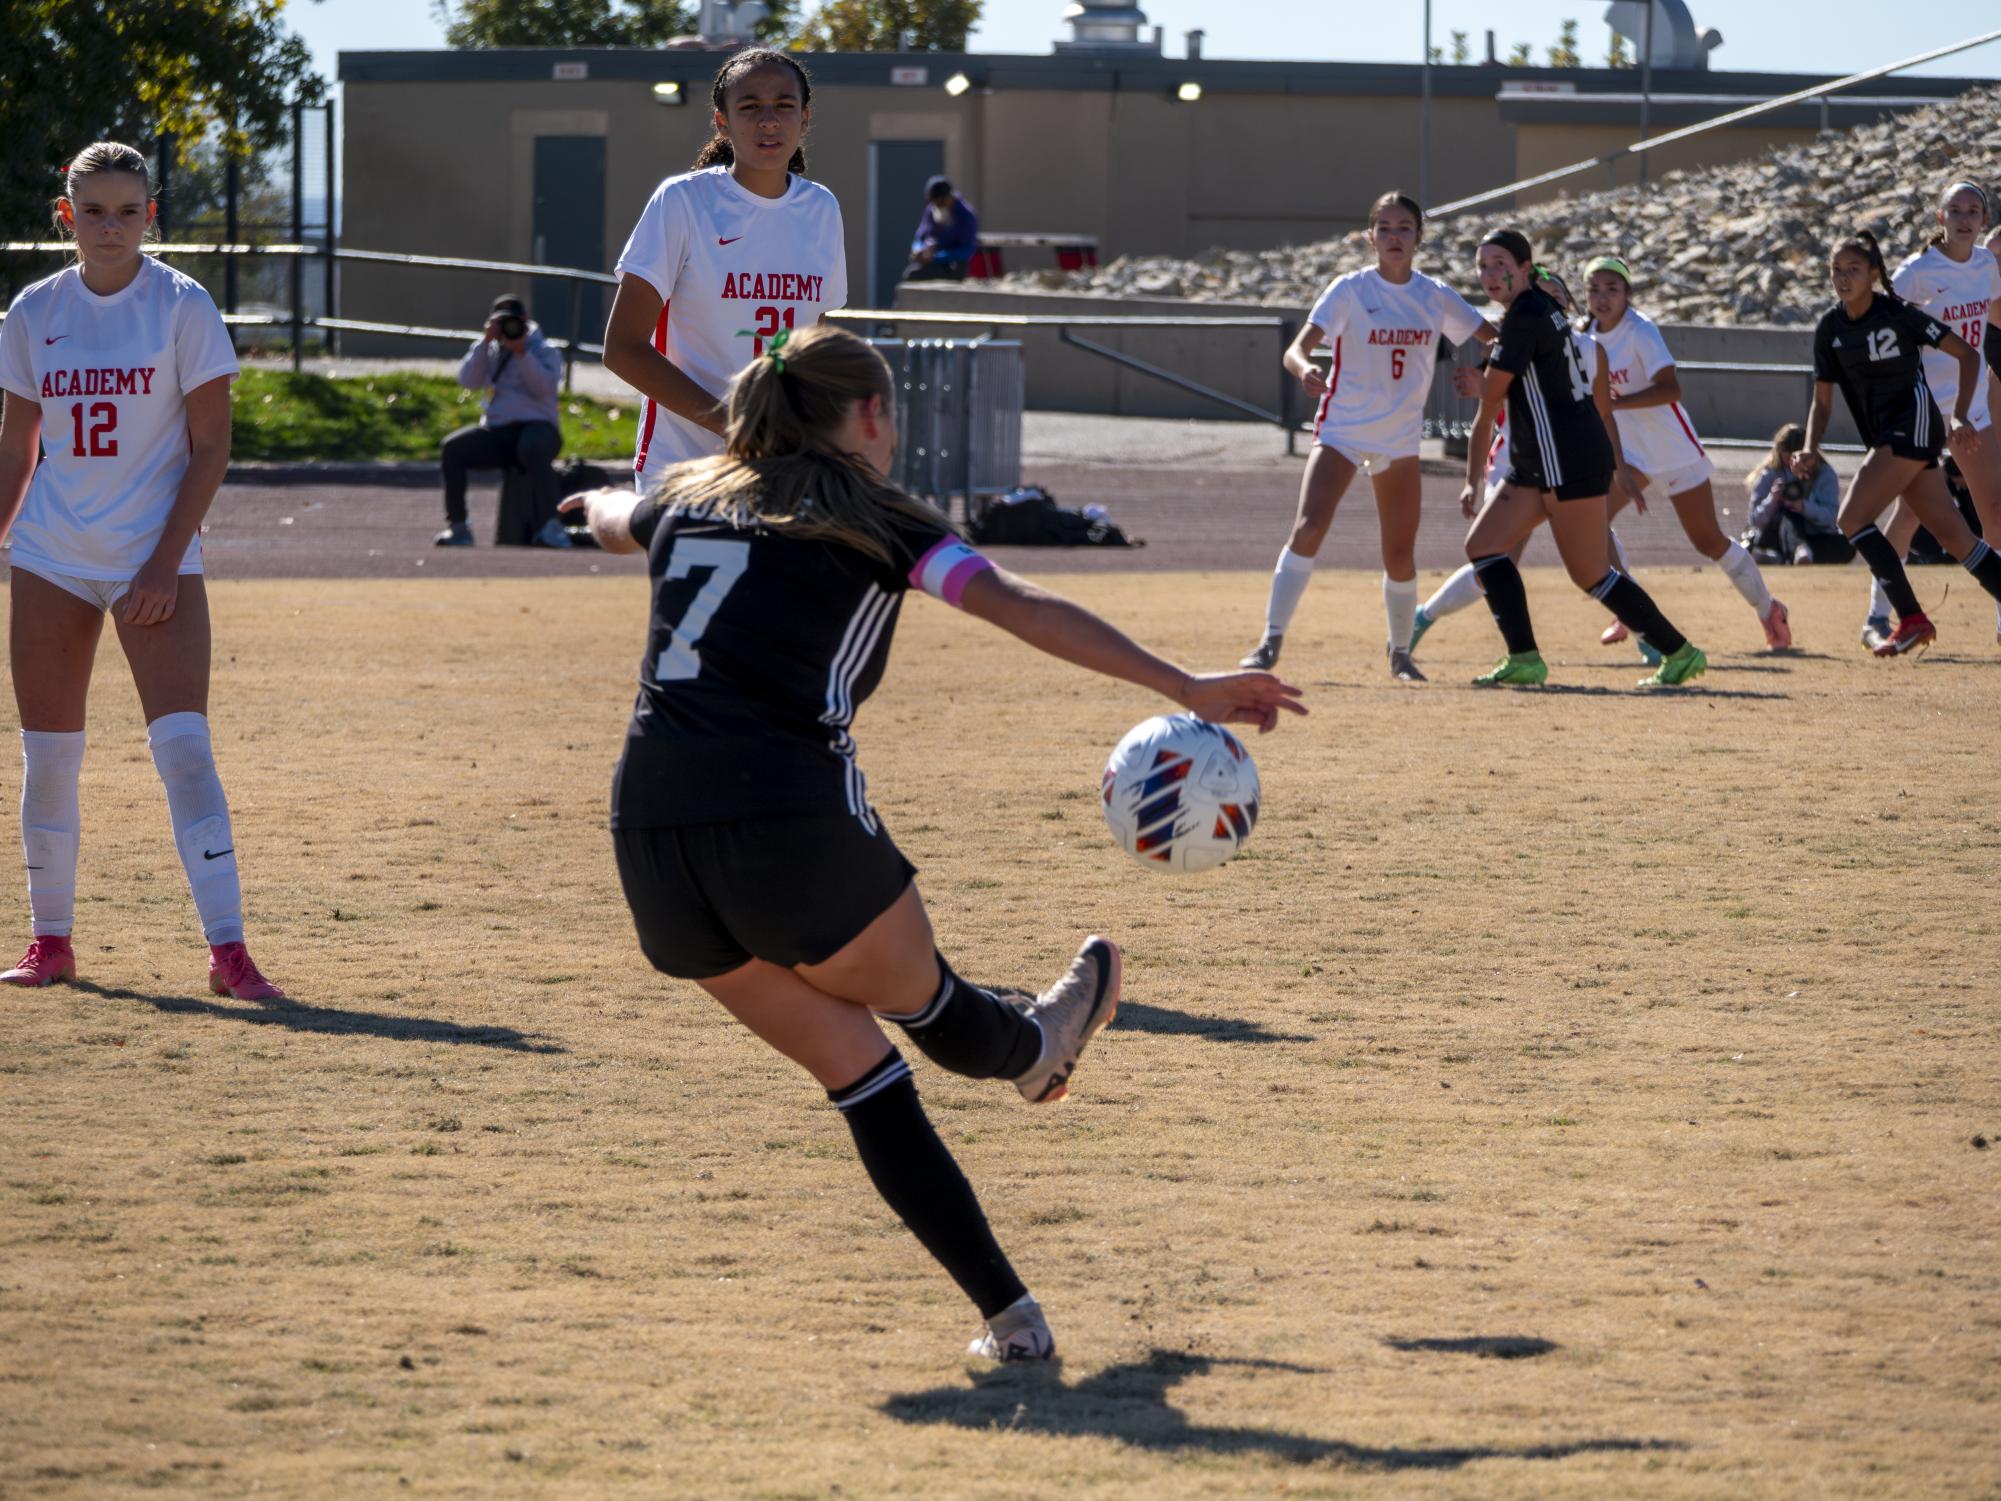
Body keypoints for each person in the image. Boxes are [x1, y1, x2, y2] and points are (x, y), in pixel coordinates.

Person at [563, 323, 1303, 1361]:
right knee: (931, 1006)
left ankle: (1016, 1320)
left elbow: (618, 515)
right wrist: (1184, 686)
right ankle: (1040, 1049)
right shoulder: (877, 518)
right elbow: (1016, 602)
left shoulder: (688, 496)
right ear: (869, 416)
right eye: (892, 412)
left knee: (860, 1069)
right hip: (786, 818)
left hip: (649, 844)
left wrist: (588, 504)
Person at [0, 142, 282, 998]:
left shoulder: (181, 305)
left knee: (185, 751)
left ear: (150, 216)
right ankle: (50, 939)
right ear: (66, 217)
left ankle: (229, 951)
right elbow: (18, 442)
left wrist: (163, 561)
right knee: (48, 756)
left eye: (128, 210)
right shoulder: (31, 311)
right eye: (93, 211)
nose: (110, 226)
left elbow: (212, 447)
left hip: (153, 558)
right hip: (52, 555)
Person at [1240, 191, 1495, 682]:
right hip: (1343, 429)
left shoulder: (1434, 294)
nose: (1394, 237)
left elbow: (1493, 338)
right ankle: (1270, 641)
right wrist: (1304, 369)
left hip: (1399, 439)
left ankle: (1400, 653)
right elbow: (1296, 350)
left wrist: (1484, 373)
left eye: (1404, 228)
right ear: (1370, 236)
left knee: (1399, 552)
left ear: (1420, 237)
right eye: (1385, 228)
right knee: (1309, 528)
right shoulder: (1350, 290)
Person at [1457, 230, 1707, 687]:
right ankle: (1525, 658)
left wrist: (1480, 388)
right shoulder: (1541, 307)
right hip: (1546, 455)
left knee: (1590, 574)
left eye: (1499, 264)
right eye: (1482, 266)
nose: (1489, 274)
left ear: (1526, 267)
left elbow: (1492, 398)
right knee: (1484, 547)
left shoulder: (1526, 314)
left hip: (1563, 456)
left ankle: (1679, 651)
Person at [602, 48, 847, 492]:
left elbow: (813, 344)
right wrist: (737, 427)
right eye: (750, 107)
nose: (768, 121)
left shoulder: (822, 208)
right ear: (722, 120)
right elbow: (622, 350)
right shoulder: (682, 202)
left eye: (784, 106)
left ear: (805, 118)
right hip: (683, 471)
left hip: (779, 468)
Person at [1798, 228, 2001, 656]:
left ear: (1874, 273)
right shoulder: (1829, 327)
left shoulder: (1899, 314)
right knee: (1957, 538)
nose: (1842, 277)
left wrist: (1962, 412)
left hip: (1915, 424)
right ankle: (1911, 617)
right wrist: (1810, 448)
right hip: (1889, 435)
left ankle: (1910, 618)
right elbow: (1821, 402)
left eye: (1853, 269)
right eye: (1836, 269)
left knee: (1851, 518)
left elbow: (1967, 354)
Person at [1584, 255, 1792, 650]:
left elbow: (1670, 389)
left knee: (1708, 540)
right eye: (1594, 289)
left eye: (1612, 288)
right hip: (1629, 452)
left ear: (1628, 293)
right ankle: (1628, 608)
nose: (1602, 297)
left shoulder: (1640, 331)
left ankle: (1768, 609)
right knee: (1593, 520)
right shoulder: (1585, 335)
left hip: (1671, 448)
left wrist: (1616, 404)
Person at [1853, 184, 2001, 649]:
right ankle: (1877, 616)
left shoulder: (1987, 265)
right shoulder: (1919, 271)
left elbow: (1992, 316)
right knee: (1910, 515)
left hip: (1970, 407)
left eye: (1973, 211)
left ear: (1983, 218)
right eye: (1955, 210)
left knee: (1995, 509)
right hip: (1924, 409)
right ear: (1940, 217)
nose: (1964, 218)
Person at [435, 293, 565, 548]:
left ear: (525, 320)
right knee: (453, 448)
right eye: (501, 321)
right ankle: (459, 527)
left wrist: (521, 354)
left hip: (539, 429)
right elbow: (468, 381)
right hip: (498, 432)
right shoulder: (490, 348)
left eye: (513, 321)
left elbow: (545, 389)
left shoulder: (545, 350)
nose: (509, 327)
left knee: (532, 446)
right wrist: (485, 342)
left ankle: (551, 526)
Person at [1743, 423, 1848, 564]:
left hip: (1816, 535)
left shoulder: (1825, 474)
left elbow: (1830, 518)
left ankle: (1780, 558)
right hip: (1776, 534)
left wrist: (1804, 506)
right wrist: (1773, 500)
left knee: (1847, 545)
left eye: (1796, 462)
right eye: (1787, 462)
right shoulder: (1770, 473)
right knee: (1790, 517)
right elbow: (1754, 521)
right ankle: (1798, 552)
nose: (1792, 468)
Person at [902, 176, 980, 284]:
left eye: (939, 203)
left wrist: (936, 257)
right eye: (933, 203)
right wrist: (918, 249)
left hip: (953, 266)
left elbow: (967, 250)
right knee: (911, 273)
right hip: (931, 262)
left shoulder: (966, 215)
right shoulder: (931, 209)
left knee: (914, 275)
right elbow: (920, 236)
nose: (936, 206)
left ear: (949, 197)